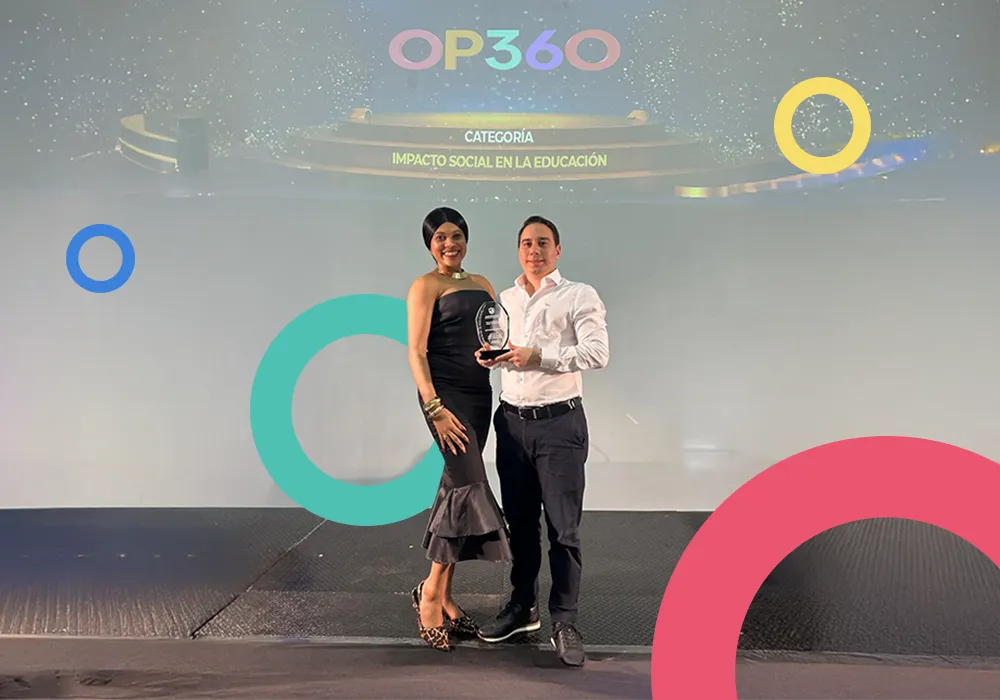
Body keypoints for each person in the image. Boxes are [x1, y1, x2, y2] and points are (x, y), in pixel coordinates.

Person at [474, 215, 610, 667]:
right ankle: (523, 609)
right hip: (512, 423)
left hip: (559, 425)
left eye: (543, 243)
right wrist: (494, 358)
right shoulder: (506, 299)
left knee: (563, 531)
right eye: (527, 243)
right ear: (518, 250)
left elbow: (597, 353)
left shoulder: (578, 294)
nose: (534, 251)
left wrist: (539, 356)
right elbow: (510, 353)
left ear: (558, 250)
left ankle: (565, 620)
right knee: (520, 525)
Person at [405, 206, 513, 652]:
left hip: (478, 395)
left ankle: (444, 594)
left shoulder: (483, 284)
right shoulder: (425, 285)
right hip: (444, 397)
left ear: (466, 239)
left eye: (456, 236)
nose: (449, 244)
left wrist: (499, 356)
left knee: (456, 489)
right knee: (468, 485)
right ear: (429, 245)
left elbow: (492, 337)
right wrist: (434, 407)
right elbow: (416, 352)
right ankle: (431, 594)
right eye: (440, 238)